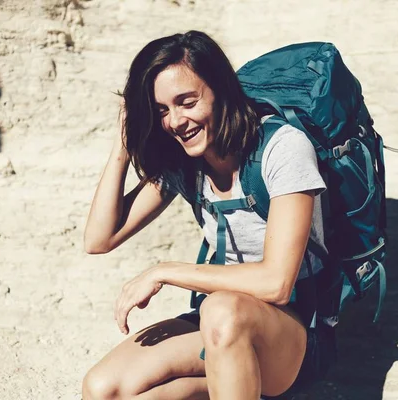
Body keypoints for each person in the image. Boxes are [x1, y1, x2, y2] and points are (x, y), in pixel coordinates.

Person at [82, 30, 327, 400]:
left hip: (294, 333)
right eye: (162, 110)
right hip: (221, 328)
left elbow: (276, 283)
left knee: (221, 309)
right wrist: (123, 145)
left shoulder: (283, 148)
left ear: (220, 88)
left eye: (187, 101)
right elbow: (99, 239)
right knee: (103, 390)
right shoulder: (185, 163)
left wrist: (164, 270)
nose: (176, 121)